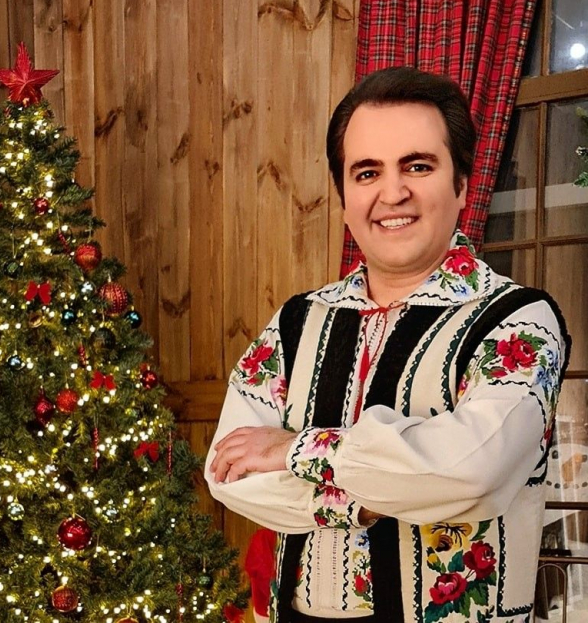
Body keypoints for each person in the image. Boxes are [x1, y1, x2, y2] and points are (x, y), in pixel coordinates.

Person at [205, 67, 572, 623]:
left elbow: (471, 470)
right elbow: (229, 472)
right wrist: (386, 491)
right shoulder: (297, 321)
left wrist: (294, 450)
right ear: (344, 196)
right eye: (367, 172)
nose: (392, 193)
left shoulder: (517, 320)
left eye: (418, 166)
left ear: (462, 185)